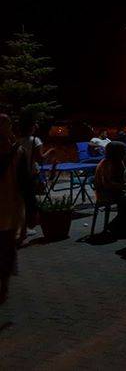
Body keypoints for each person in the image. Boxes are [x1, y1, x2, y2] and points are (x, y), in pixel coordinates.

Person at [0, 114, 33, 305]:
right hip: (8, 210)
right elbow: (25, 184)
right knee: (7, 249)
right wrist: (31, 210)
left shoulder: (17, 151)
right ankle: (3, 284)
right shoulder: (17, 152)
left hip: (9, 210)